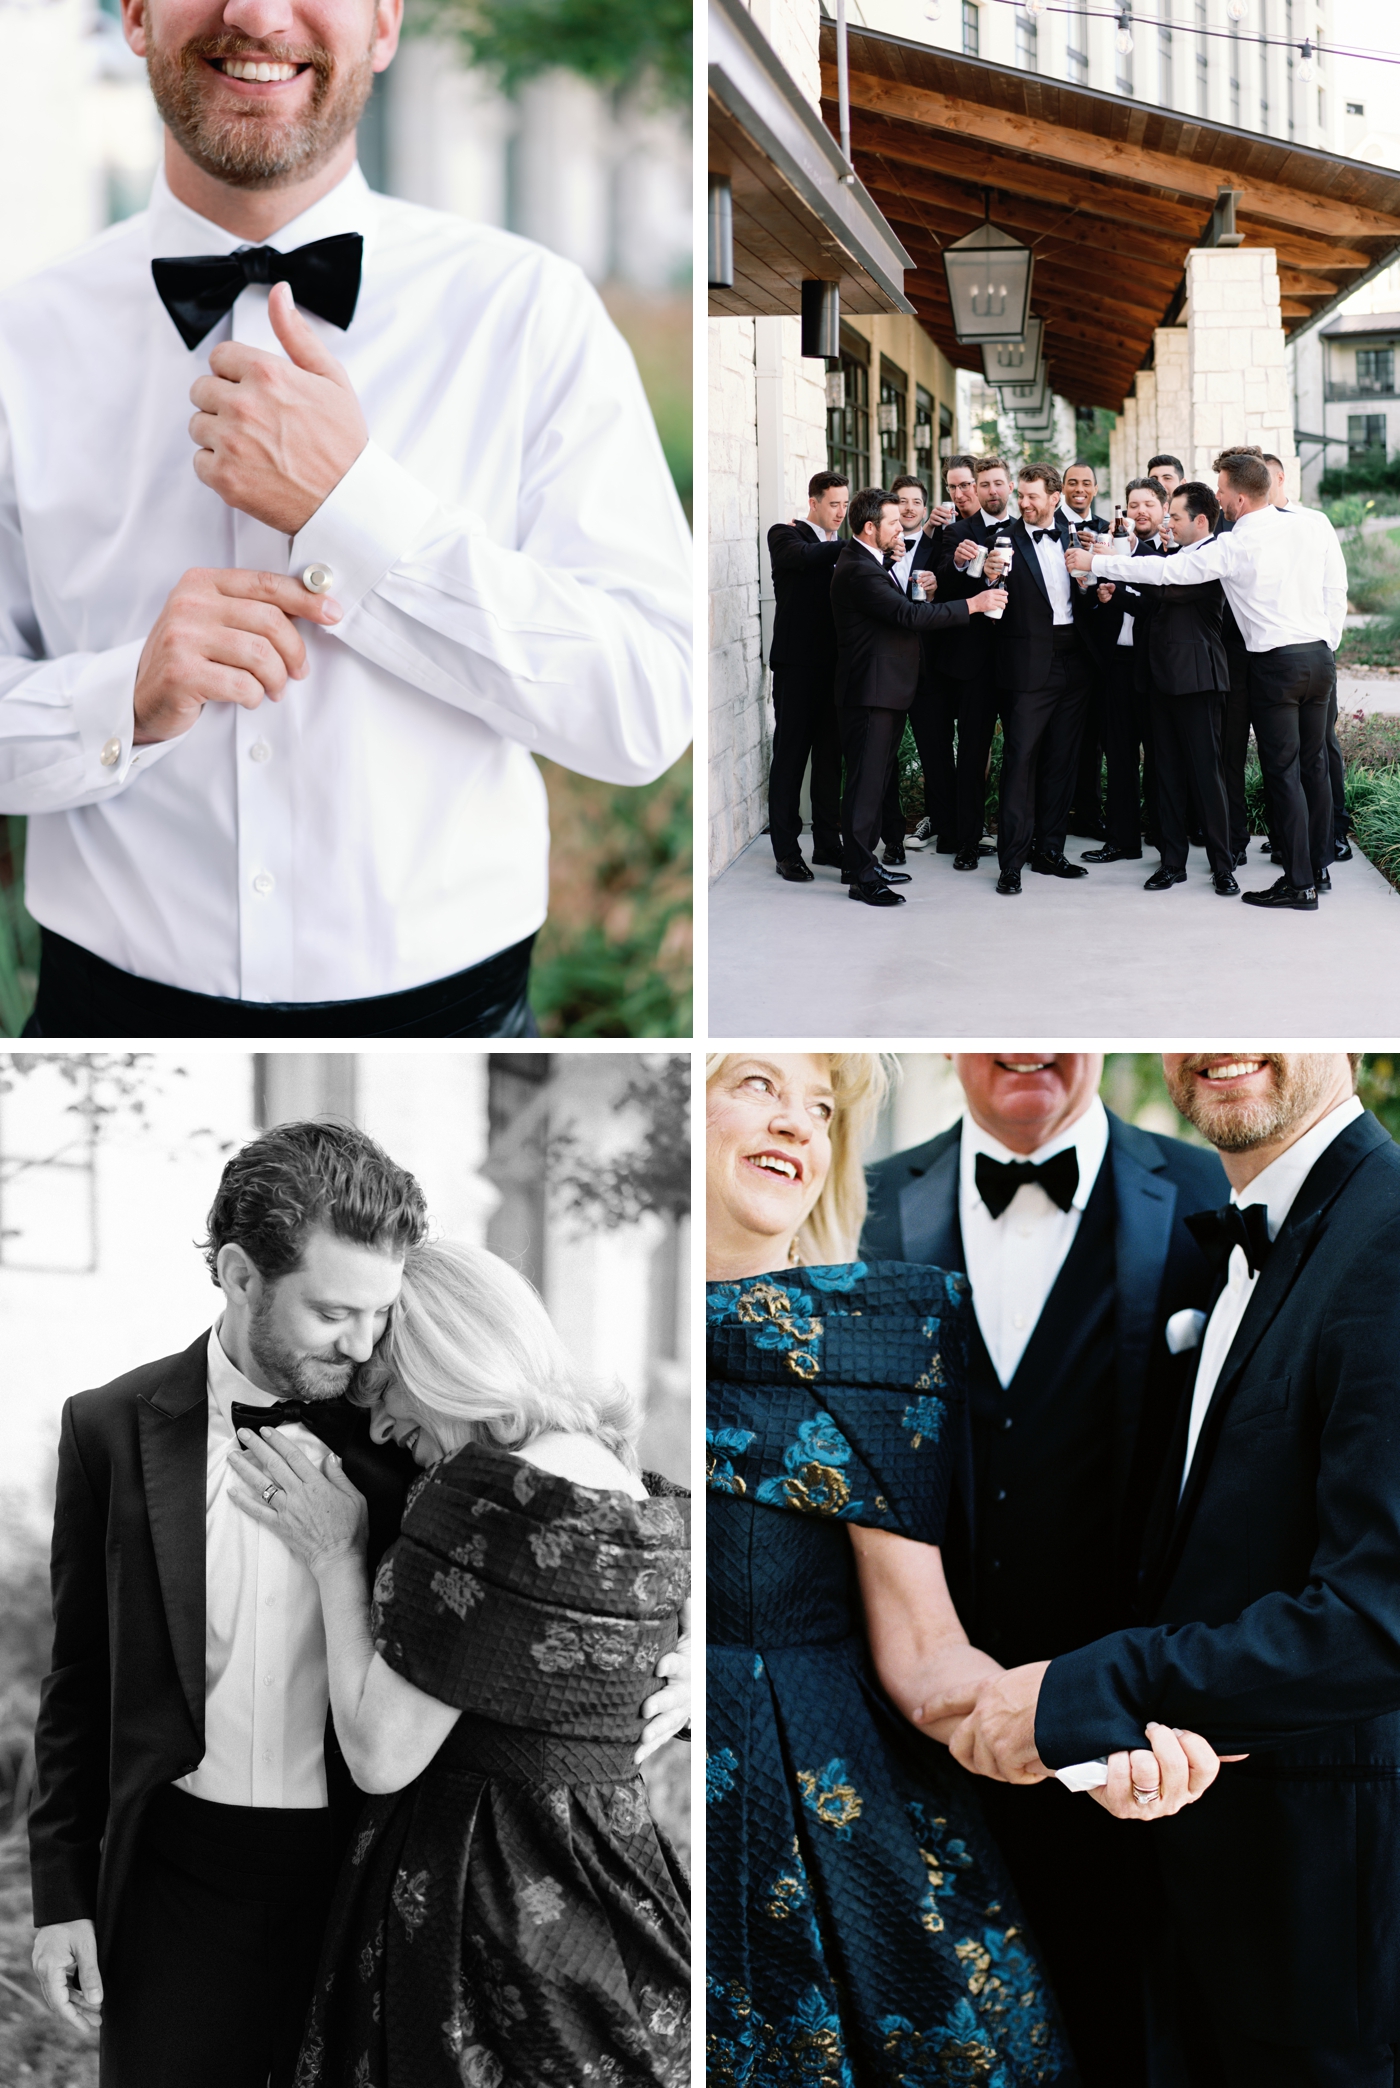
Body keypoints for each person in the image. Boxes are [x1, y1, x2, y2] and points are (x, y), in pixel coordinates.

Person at [0, 0, 690, 1038]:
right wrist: (121, 698)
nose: (256, 14)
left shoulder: (527, 313)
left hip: (457, 1023)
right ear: (134, 13)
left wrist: (354, 513)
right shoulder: (20, 342)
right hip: (103, 1015)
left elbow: (644, 704)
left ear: (383, 22)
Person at [27, 1121, 688, 2087]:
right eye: (335, 1312)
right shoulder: (108, 1426)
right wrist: (62, 1898)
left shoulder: (413, 1425)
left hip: (361, 1876)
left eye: (379, 1313)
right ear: (243, 1277)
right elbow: (79, 1676)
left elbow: (596, 1518)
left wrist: (693, 1653)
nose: (366, 1342)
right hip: (178, 1883)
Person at [705, 1051, 1226, 2088]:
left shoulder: (864, 1336)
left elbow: (927, 1653)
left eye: (823, 1109)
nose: (801, 1125)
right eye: (758, 1084)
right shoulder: (597, 1354)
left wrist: (1080, 1738)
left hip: (828, 1821)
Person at [959, 1053, 1400, 2088]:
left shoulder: (1387, 1234)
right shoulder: (1243, 1242)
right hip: (1197, 1891)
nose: (1221, 1039)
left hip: (1331, 1936)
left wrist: (1089, 1693)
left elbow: (1380, 1615)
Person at [228, 1237, 690, 2088]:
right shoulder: (630, 1486)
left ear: (445, 1354)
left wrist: (338, 1554)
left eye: (384, 1384)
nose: (376, 1424)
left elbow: (380, 1754)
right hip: (611, 1875)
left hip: (489, 1901)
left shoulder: (487, 1495)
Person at [862, 1052, 1226, 2088]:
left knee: (1119, 2038)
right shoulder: (866, 1202)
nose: (1028, 1043)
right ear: (941, 1042)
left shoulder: (1208, 1196)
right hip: (914, 1743)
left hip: (1129, 1750)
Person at [1071, 451, 1348, 911]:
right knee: (1312, 767)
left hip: (1276, 665)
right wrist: (1327, 641)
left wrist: (1095, 563)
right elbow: (1334, 588)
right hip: (1319, 658)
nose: (1218, 498)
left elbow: (1166, 571)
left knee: (1284, 774)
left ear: (1239, 497)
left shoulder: (1234, 543)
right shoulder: (1312, 523)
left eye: (1220, 490)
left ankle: (1300, 885)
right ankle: (1317, 866)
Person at [831, 488, 1004, 907]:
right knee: (866, 786)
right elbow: (909, 615)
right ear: (871, 528)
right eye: (893, 522)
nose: (901, 527)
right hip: (873, 692)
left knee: (870, 785)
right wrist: (974, 604)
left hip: (883, 690)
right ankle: (861, 876)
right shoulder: (859, 568)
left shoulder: (872, 562)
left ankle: (861, 865)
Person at [987, 464, 1096, 896]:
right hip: (1028, 666)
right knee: (1020, 763)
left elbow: (1087, 593)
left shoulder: (1078, 536)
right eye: (1022, 496)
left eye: (1034, 496)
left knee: (1061, 762)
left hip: (1076, 662)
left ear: (1055, 498)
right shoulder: (1004, 541)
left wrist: (1094, 584)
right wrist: (984, 569)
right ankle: (1011, 862)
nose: (1025, 503)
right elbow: (987, 579)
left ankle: (1050, 852)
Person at [1137, 482, 1238, 895]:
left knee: (1206, 775)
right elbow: (1152, 602)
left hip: (1198, 680)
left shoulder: (1210, 557)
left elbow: (1165, 588)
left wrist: (1108, 562)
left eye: (1175, 516)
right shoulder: (1174, 558)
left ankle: (1223, 865)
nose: (1169, 523)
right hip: (1161, 681)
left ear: (1199, 520)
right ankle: (1172, 863)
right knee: (1167, 774)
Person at [766, 471, 850, 883]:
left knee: (830, 760)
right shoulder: (785, 534)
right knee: (791, 757)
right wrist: (854, 546)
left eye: (846, 505)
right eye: (833, 504)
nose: (840, 512)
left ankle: (828, 845)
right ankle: (785, 851)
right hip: (797, 668)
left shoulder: (844, 548)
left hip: (835, 669)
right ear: (813, 501)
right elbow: (798, 559)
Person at [932, 454, 1014, 870]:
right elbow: (942, 583)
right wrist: (963, 563)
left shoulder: (1025, 530)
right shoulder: (958, 532)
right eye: (984, 485)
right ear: (976, 490)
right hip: (973, 665)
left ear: (1010, 487)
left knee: (1021, 755)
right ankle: (967, 841)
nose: (991, 491)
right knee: (971, 754)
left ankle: (1021, 841)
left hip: (1019, 663)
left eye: (998, 484)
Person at [1080, 477, 1167, 869]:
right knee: (1118, 756)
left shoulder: (1168, 553)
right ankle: (1122, 840)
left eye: (1148, 504)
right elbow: (1092, 610)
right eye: (1133, 505)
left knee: (1161, 758)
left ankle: (1166, 842)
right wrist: (1099, 599)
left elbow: (1159, 608)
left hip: (1155, 669)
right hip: (1115, 665)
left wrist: (1124, 597)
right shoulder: (1105, 548)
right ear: (1124, 512)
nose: (1140, 511)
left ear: (1163, 509)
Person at [1060, 463, 1111, 843]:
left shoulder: (1110, 529)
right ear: (1062, 488)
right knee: (1055, 740)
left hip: (1096, 650)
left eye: (1086, 483)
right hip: (1058, 648)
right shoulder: (1051, 527)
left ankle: (1089, 814)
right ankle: (1054, 815)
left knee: (1093, 737)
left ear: (1095, 488)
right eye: (1072, 482)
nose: (1079, 489)